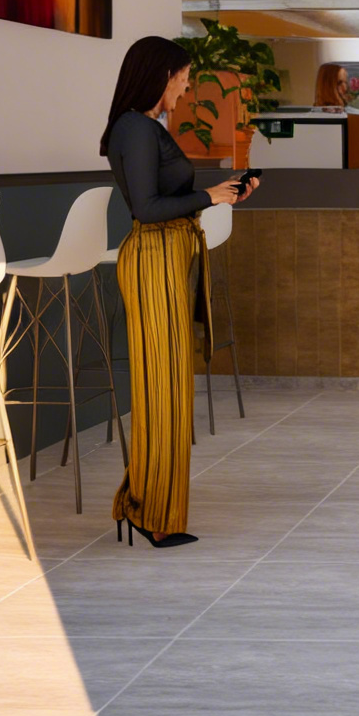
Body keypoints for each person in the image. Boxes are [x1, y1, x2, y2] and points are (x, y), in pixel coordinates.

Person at [99, 36, 258, 548]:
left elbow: (167, 197)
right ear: (162, 76)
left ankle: (147, 506)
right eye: (183, 78)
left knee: (168, 388)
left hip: (165, 257)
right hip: (152, 259)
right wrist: (209, 195)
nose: (186, 89)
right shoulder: (136, 128)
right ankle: (150, 512)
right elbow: (146, 209)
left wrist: (222, 194)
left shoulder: (144, 127)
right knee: (161, 390)